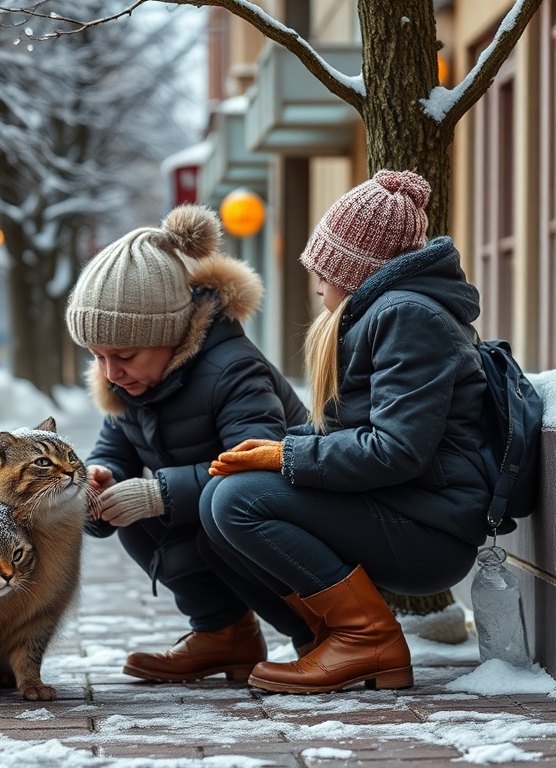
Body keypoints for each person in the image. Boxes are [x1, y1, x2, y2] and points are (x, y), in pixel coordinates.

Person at [202, 169, 492, 694]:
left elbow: (395, 450)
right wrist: (279, 448)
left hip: (432, 529)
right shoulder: (381, 315)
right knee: (215, 500)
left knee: (238, 502)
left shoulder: (409, 317)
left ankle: (367, 641)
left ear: (355, 269)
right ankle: (323, 640)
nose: (315, 279)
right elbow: (359, 435)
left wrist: (283, 457)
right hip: (403, 509)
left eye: (325, 265)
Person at [65, 203, 310, 683]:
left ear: (170, 333)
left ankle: (322, 633)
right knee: (127, 506)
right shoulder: (132, 384)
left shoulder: (235, 370)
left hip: (294, 523)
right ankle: (223, 634)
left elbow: (260, 466)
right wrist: (96, 479)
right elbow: (114, 447)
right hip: (219, 514)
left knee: (193, 505)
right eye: (97, 358)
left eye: (124, 355)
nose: (112, 373)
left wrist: (159, 493)